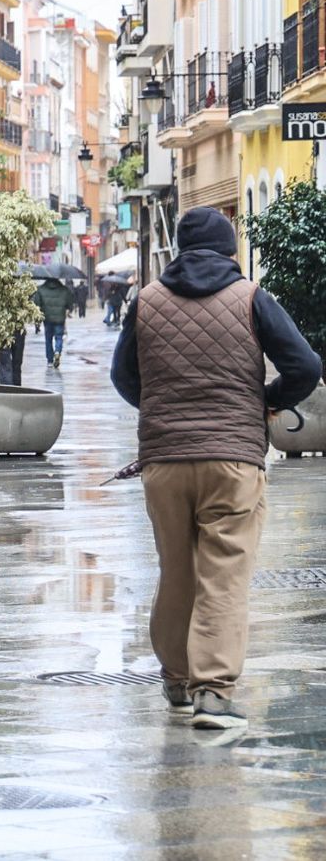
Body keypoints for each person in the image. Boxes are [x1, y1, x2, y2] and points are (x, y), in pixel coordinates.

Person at [111, 208, 321, 731]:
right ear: (230, 251)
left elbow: (123, 375)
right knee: (223, 574)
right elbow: (306, 366)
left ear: (180, 251)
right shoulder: (251, 298)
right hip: (233, 459)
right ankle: (214, 694)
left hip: (164, 461)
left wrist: (162, 411)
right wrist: (267, 400)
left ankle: (177, 679)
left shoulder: (146, 301)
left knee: (177, 570)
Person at [34, 277, 72, 369]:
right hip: (60, 318)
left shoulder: (40, 289)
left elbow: (37, 304)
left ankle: (50, 361)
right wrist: (68, 309)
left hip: (47, 318)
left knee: (48, 339)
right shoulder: (64, 290)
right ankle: (57, 351)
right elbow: (69, 303)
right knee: (59, 337)